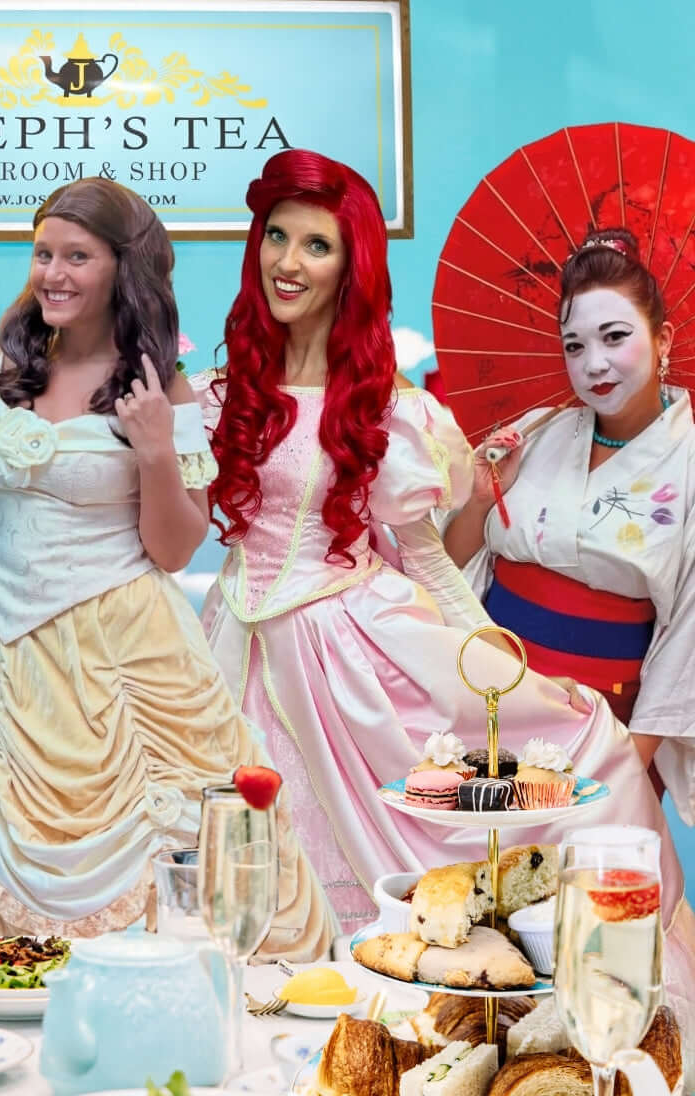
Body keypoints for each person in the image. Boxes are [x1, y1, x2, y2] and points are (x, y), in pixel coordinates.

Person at [196, 153, 695, 1041]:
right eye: (277, 235)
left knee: (576, 772)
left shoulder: (392, 413)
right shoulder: (219, 397)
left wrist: (489, 658)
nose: (290, 260)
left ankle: (565, 1029)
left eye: (318, 243)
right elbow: (456, 553)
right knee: (241, 874)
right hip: (232, 648)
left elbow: (424, 562)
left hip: (353, 649)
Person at [0, 176, 333, 957]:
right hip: (9, 652)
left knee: (170, 852)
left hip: (126, 654)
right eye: (43, 254)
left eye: (78, 256)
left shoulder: (159, 388)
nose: (54, 274)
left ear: (121, 270)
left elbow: (174, 549)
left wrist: (156, 447)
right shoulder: (5, 367)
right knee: (7, 861)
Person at [444, 227, 695, 812]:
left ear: (663, 339)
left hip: (604, 721)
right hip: (488, 694)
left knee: (582, 891)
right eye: (574, 345)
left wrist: (627, 764)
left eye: (615, 337)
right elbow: (449, 564)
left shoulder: (688, 462)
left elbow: (689, 634)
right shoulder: (537, 430)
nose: (594, 364)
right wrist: (481, 499)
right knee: (477, 882)